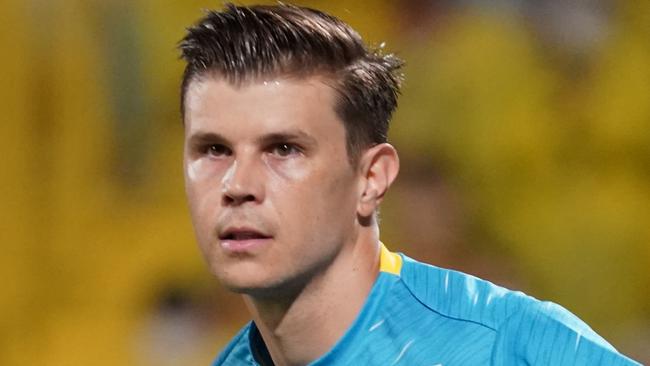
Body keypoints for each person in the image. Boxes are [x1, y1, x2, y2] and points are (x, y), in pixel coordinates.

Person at [178, 3, 640, 366]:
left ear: (372, 178)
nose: (238, 184)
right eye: (214, 150)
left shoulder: (512, 344)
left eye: (284, 150)